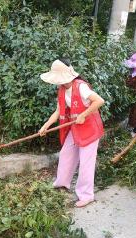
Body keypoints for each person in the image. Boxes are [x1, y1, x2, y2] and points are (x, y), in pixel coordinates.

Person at [39, 59, 105, 208]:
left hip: (89, 129)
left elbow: (99, 101)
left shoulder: (80, 87)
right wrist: (46, 125)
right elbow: (58, 111)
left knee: (86, 162)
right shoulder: (62, 89)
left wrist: (84, 114)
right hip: (75, 127)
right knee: (66, 153)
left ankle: (86, 195)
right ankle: (61, 183)